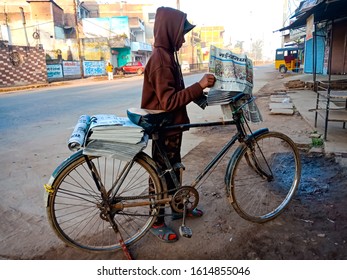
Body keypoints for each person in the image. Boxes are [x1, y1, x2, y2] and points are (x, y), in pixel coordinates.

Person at [141, 7, 216, 243]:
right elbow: (169, 101)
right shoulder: (161, 61)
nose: (183, 39)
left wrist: (201, 92)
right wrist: (199, 85)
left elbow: (177, 93)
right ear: (170, 31)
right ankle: (156, 221)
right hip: (164, 129)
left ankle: (178, 205)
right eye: (181, 34)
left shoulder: (168, 56)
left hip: (172, 127)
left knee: (174, 169)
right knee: (160, 175)